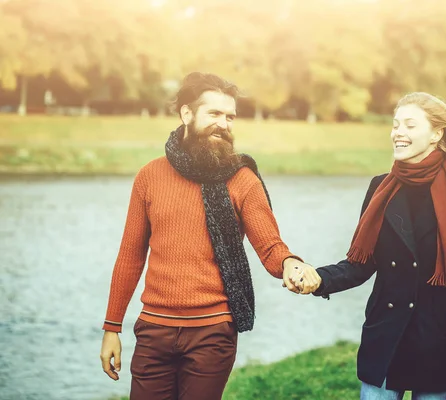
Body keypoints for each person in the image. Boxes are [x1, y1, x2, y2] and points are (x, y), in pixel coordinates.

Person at [99, 72, 321, 400]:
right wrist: (112, 328)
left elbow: (270, 244)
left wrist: (290, 264)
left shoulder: (243, 180)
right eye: (214, 114)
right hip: (153, 330)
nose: (224, 124)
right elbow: (131, 255)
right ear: (186, 114)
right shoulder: (149, 177)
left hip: (212, 332)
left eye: (230, 116)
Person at [292, 92, 446, 400]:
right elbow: (361, 264)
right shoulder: (380, 188)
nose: (398, 133)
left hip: (439, 346)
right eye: (395, 125)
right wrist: (318, 278)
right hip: (385, 342)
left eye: (409, 125)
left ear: (436, 134)